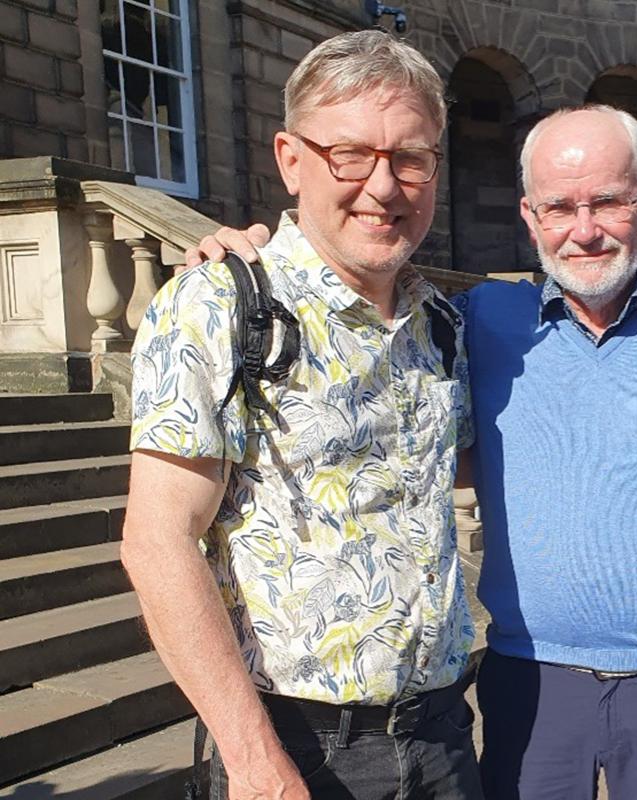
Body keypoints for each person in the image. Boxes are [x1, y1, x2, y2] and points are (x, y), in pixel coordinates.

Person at [188, 104, 637, 800]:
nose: (585, 230)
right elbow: (360, 286)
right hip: (533, 679)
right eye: (559, 207)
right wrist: (248, 256)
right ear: (529, 216)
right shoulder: (477, 323)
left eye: (610, 201)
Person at [121, 31, 482, 800]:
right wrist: (253, 760)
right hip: (299, 749)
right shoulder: (221, 303)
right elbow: (157, 543)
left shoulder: (441, 327)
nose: (382, 187)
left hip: (442, 738)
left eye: (409, 159)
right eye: (348, 154)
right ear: (291, 159)